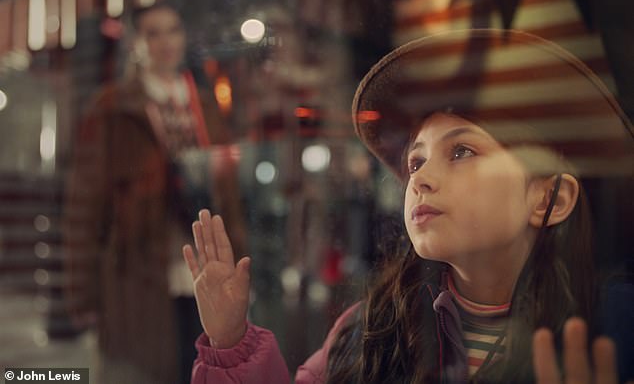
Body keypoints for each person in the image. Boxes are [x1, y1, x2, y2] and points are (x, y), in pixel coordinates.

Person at [182, 29, 634, 383]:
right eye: (415, 162)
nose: (420, 179)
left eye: (462, 152)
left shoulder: (617, 326)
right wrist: (231, 341)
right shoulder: (371, 328)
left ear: (550, 198)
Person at [62, 2, 245, 384]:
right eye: (153, 33)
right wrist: (83, 294)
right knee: (145, 370)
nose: (165, 42)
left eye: (172, 30)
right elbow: (85, 203)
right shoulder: (113, 106)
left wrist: (242, 268)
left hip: (203, 265)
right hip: (139, 272)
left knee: (202, 370)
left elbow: (228, 195)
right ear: (135, 43)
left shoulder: (205, 106)